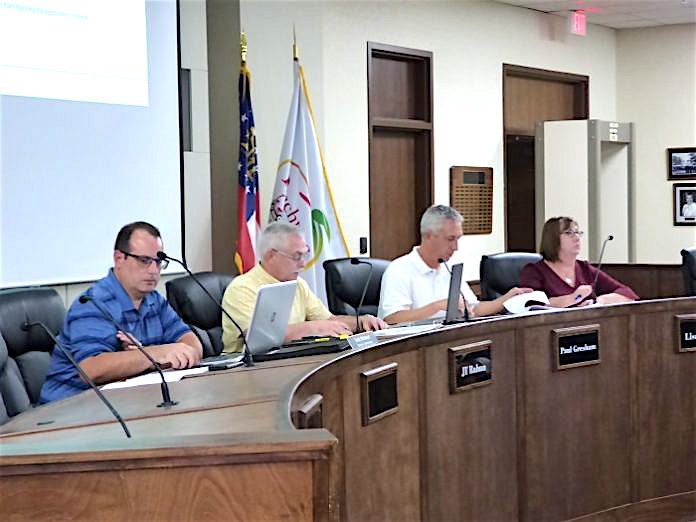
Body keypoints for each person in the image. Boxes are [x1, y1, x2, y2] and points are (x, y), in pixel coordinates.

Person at [40, 222, 203, 403]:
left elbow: (190, 343)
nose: (153, 270)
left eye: (158, 262)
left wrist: (149, 358)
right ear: (119, 258)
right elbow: (91, 370)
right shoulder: (93, 303)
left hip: (126, 402)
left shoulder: (154, 300)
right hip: (69, 408)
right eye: (144, 261)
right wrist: (153, 354)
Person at [222, 222, 387, 353]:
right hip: (247, 370)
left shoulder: (298, 284)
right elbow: (259, 339)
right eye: (297, 256)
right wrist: (313, 327)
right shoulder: (242, 288)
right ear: (271, 255)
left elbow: (329, 321)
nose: (303, 263)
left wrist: (361, 322)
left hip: (289, 360)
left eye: (305, 254)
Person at [378, 205, 531, 324]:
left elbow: (473, 308)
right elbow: (392, 319)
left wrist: (506, 299)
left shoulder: (449, 268)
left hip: (451, 345)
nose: (455, 247)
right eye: (450, 239)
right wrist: (437, 306)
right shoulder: (399, 270)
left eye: (458, 239)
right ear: (428, 236)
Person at [519, 216, 638, 307]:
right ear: (552, 239)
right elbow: (531, 304)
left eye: (578, 233)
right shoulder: (534, 271)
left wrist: (600, 301)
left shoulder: (584, 268)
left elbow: (626, 292)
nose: (576, 238)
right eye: (569, 233)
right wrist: (573, 298)